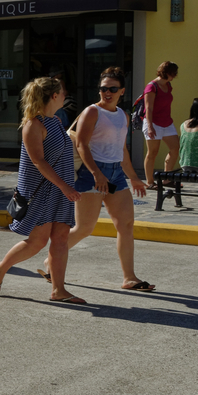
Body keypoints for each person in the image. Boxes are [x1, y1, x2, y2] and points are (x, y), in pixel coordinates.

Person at [42, 68, 153, 291]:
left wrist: (134, 177)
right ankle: (50, 261)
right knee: (84, 228)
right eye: (103, 88)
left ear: (122, 91)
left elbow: (121, 149)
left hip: (115, 174)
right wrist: (96, 173)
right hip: (91, 172)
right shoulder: (92, 112)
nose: (107, 92)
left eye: (112, 88)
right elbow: (82, 144)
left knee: (126, 225)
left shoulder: (122, 115)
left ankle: (129, 278)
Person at [0, 77, 83, 303]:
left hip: (61, 189)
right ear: (53, 96)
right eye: (62, 92)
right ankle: (0, 268)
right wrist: (64, 185)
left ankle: (58, 290)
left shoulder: (57, 121)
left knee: (60, 239)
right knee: (37, 242)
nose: (65, 95)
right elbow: (39, 162)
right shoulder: (33, 124)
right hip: (42, 192)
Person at [141, 61, 179, 180]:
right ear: (167, 73)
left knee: (175, 148)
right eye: (174, 73)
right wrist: (150, 127)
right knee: (152, 153)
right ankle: (150, 181)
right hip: (153, 122)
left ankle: (167, 179)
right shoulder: (152, 86)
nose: (175, 76)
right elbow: (149, 108)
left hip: (167, 122)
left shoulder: (168, 85)